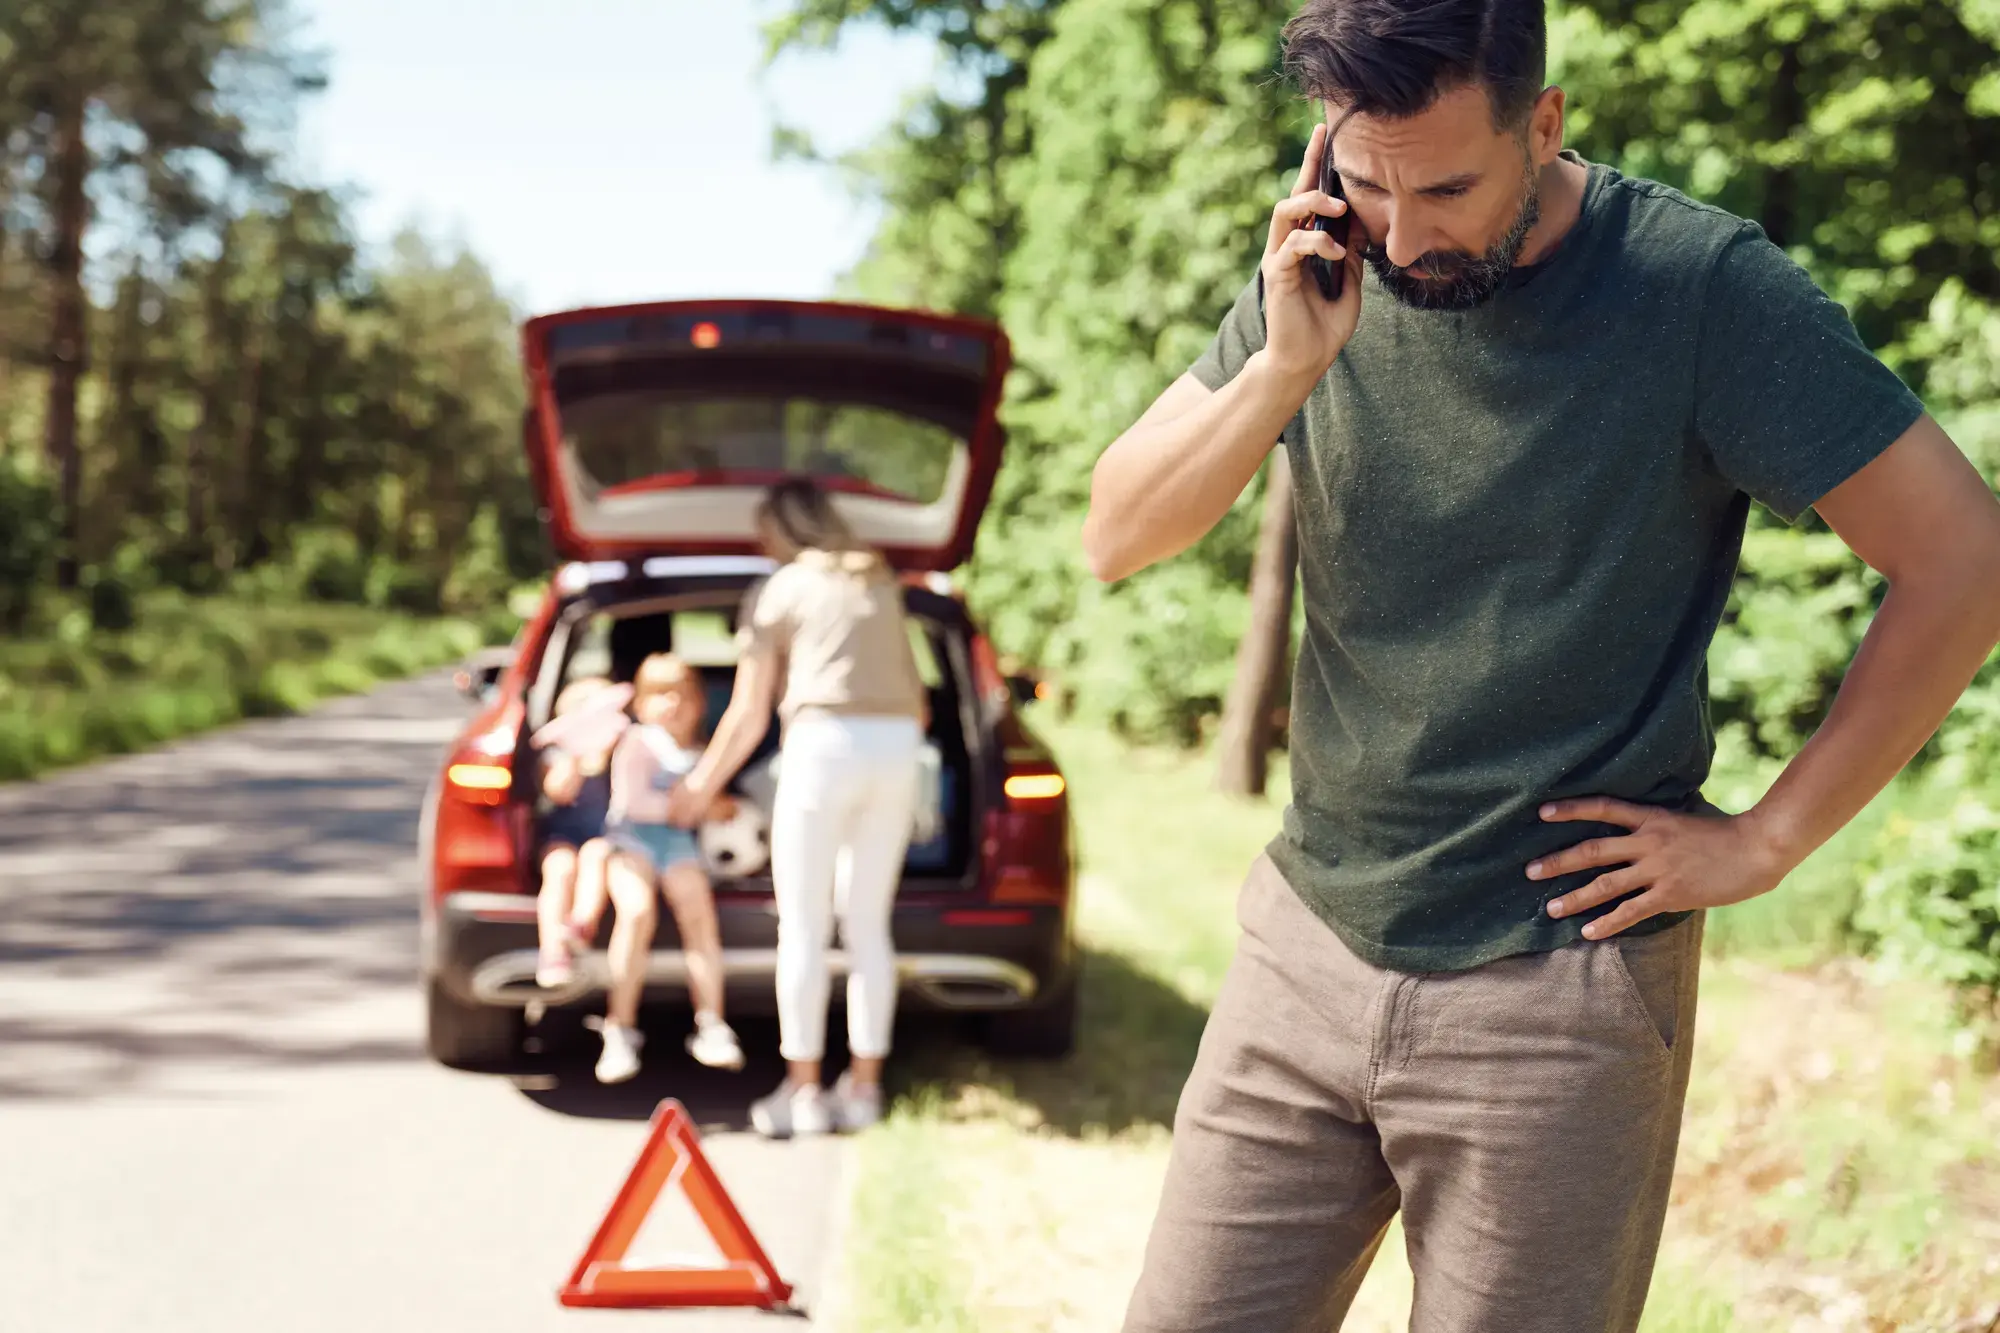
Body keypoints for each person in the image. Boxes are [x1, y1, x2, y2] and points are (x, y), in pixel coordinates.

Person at [1083, 2, 2000, 1330]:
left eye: (1448, 189)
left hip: (1558, 987)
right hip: (1304, 946)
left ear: (1544, 122)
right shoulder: (1320, 272)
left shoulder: (1700, 289)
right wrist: (1283, 370)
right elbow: (1116, 533)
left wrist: (1767, 841)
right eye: (1366, 182)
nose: (1404, 236)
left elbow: (1963, 558)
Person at [667, 478, 929, 1139]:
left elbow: (749, 712)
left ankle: (805, 1092)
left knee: (805, 926)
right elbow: (922, 702)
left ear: (782, 530)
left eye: (764, 532)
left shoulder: (782, 588)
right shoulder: (879, 582)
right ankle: (863, 1090)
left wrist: (700, 784)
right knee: (867, 925)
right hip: (899, 749)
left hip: (824, 746)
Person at [590, 652, 746, 1084]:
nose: (673, 704)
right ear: (641, 705)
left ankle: (711, 1023)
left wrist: (718, 808)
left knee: (699, 916)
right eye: (660, 694)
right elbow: (633, 802)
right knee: (637, 912)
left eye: (683, 695)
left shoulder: (703, 753)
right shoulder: (637, 742)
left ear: (700, 704)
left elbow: (716, 804)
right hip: (630, 842)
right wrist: (690, 808)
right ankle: (620, 1027)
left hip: (678, 845)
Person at [532, 677, 617, 989]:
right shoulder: (556, 754)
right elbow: (558, 792)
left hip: (604, 835)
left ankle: (581, 925)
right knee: (560, 869)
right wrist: (576, 753)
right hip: (562, 834)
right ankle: (553, 951)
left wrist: (608, 749)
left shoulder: (621, 750)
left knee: (596, 856)